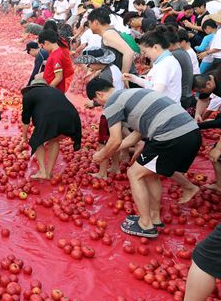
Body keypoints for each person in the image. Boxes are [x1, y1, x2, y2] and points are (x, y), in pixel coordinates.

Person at [87, 78, 201, 238]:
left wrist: (101, 154)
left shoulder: (112, 103)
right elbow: (133, 138)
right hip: (191, 133)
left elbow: (115, 140)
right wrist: (108, 151)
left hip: (171, 135)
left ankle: (145, 225)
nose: (100, 105)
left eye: (96, 101)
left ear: (99, 94)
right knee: (150, 174)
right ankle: (154, 218)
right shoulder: (133, 95)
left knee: (134, 173)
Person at [74, 48, 124, 178]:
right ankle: (115, 167)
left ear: (97, 62)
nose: (88, 66)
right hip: (120, 106)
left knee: (104, 141)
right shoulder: (113, 68)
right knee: (114, 137)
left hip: (110, 109)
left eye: (90, 63)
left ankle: (102, 173)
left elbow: (104, 95)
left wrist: (95, 103)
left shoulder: (105, 76)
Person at [21, 78, 82, 180]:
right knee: (54, 139)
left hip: (50, 118)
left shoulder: (29, 95)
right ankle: (48, 173)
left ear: (31, 88)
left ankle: (43, 172)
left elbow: (26, 119)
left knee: (38, 141)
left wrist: (24, 137)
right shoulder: (56, 91)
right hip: (72, 117)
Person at [88, 7, 138, 78]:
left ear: (96, 22)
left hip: (128, 80)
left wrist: (123, 77)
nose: (89, 26)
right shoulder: (109, 32)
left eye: (89, 23)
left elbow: (129, 53)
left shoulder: (108, 34)